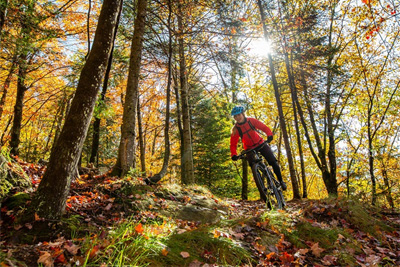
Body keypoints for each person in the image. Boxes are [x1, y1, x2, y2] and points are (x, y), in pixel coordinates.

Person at [230, 106, 287, 191]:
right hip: (249, 148)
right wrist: (234, 154)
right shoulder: (236, 129)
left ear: (243, 114)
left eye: (239, 115)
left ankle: (281, 181)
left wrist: (269, 135)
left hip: (261, 144)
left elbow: (264, 127)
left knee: (273, 162)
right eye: (235, 116)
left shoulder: (251, 121)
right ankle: (262, 187)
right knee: (253, 167)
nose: (237, 117)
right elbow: (233, 144)